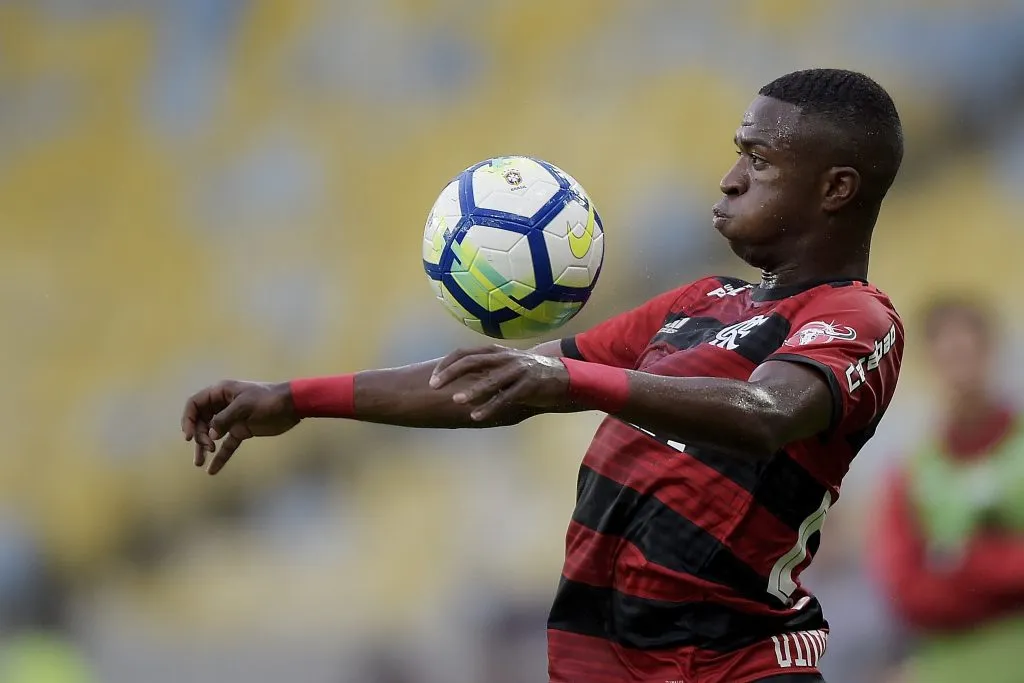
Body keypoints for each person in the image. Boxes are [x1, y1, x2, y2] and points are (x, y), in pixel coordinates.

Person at [180, 68, 906, 683]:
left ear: (835, 187)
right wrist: (297, 397)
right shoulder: (701, 303)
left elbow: (765, 411)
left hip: (729, 665)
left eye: (761, 160)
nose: (731, 177)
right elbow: (491, 382)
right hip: (604, 662)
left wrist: (570, 384)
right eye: (736, 154)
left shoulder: (857, 319)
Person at [871, 298, 1024, 683]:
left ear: (992, 352)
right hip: (952, 670)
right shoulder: (909, 475)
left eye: (971, 353)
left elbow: (942, 579)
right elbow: (905, 591)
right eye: (950, 357)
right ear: (931, 367)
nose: (962, 372)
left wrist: (967, 563)